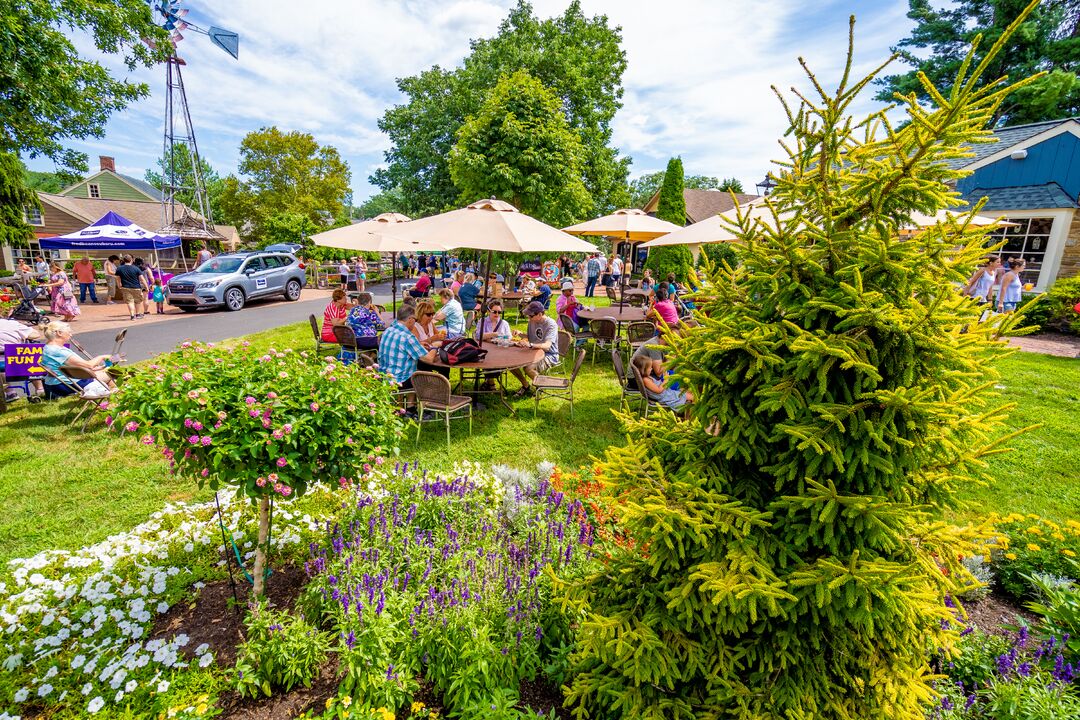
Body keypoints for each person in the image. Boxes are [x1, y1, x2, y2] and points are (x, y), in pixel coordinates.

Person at [40, 321, 117, 399]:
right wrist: (101, 357)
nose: (71, 334)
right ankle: (114, 397)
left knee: (106, 373)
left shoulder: (48, 348)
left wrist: (101, 367)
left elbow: (78, 367)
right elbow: (89, 365)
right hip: (66, 385)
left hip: (57, 383)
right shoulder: (59, 351)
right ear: (59, 333)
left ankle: (112, 396)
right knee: (112, 373)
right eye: (69, 332)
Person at [378, 304, 438, 389]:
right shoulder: (408, 337)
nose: (416, 322)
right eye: (415, 320)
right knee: (427, 377)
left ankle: (408, 401)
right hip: (399, 381)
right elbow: (429, 359)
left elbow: (400, 346)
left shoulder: (388, 330)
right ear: (410, 319)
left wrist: (419, 345)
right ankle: (415, 401)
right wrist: (435, 346)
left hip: (384, 377)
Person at [510, 302, 560, 397]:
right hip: (533, 351)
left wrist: (530, 345)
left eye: (531, 316)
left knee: (528, 368)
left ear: (540, 314)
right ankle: (525, 385)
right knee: (511, 363)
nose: (529, 318)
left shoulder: (551, 324)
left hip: (549, 354)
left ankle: (540, 387)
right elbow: (531, 337)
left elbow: (547, 345)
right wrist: (520, 334)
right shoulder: (532, 321)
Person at [0, 318, 44, 401]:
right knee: (30, 359)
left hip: (1, 364)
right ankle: (40, 389)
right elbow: (36, 334)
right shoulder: (12, 324)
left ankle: (10, 392)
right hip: (18, 360)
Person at [116, 255, 148, 321]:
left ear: (124, 260)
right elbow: (142, 279)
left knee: (130, 302)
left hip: (125, 287)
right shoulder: (136, 268)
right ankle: (138, 314)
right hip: (136, 287)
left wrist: (119, 285)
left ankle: (132, 315)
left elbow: (118, 278)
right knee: (137, 302)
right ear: (131, 260)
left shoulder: (119, 268)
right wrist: (146, 287)